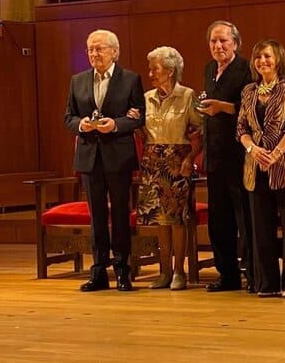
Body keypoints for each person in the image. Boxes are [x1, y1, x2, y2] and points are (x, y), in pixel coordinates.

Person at [64, 29, 145, 292]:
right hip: (89, 157)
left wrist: (116, 125)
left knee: (120, 215)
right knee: (96, 216)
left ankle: (123, 270)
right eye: (90, 49)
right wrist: (82, 125)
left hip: (118, 157)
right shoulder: (77, 80)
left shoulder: (130, 79)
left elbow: (138, 116)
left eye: (99, 48)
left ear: (115, 51)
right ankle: (98, 272)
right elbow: (69, 117)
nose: (94, 54)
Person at [237, 39, 285, 297]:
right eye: (258, 58)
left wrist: (276, 153)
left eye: (267, 56)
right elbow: (241, 129)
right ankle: (266, 283)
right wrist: (252, 149)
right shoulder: (248, 91)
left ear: (278, 58)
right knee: (260, 228)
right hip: (255, 165)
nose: (263, 62)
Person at [136, 46, 202, 291]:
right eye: (150, 68)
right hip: (153, 160)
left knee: (176, 220)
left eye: (156, 68)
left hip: (178, 161)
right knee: (159, 220)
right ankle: (163, 272)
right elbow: (142, 128)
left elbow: (200, 131)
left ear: (171, 71)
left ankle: (179, 272)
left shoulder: (187, 96)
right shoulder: (146, 97)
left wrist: (191, 158)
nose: (151, 73)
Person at [198, 21, 255, 292]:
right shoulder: (209, 69)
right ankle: (227, 274)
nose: (218, 46)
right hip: (215, 156)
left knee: (244, 217)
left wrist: (223, 107)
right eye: (213, 42)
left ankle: (254, 273)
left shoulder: (245, 68)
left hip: (239, 154)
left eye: (223, 41)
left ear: (235, 43)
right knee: (219, 220)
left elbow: (252, 108)